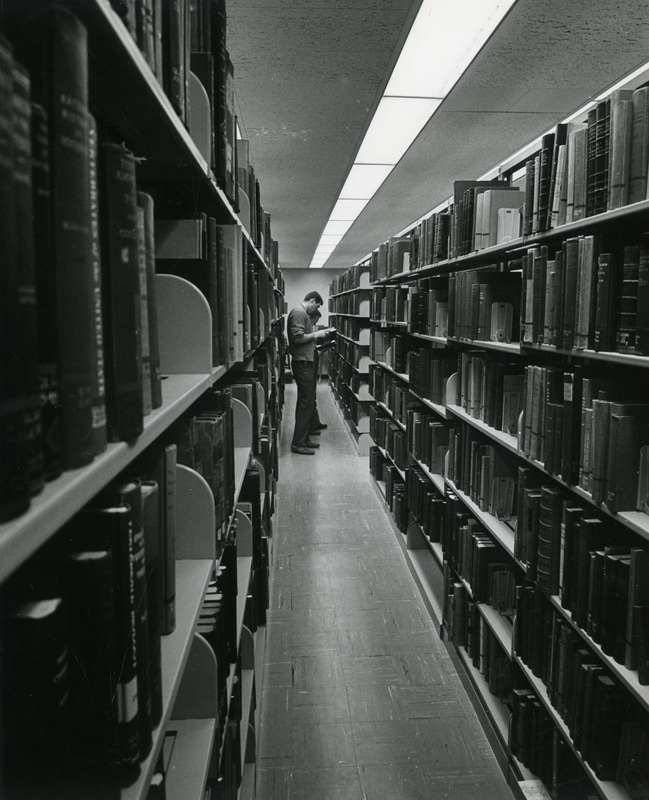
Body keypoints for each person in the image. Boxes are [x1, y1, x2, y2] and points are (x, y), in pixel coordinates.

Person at [287, 291, 334, 455]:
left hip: (306, 361)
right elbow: (297, 338)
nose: (316, 310)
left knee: (306, 403)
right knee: (305, 404)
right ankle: (298, 443)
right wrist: (316, 334)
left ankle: (304, 438)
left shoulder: (300, 313)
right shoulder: (299, 312)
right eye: (317, 306)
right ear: (312, 300)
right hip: (303, 363)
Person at [308, 307, 327, 435]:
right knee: (310, 396)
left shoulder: (308, 329)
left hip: (313, 360)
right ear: (312, 318)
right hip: (309, 362)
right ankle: (312, 425)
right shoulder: (307, 329)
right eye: (315, 321)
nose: (315, 324)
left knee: (312, 395)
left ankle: (315, 423)